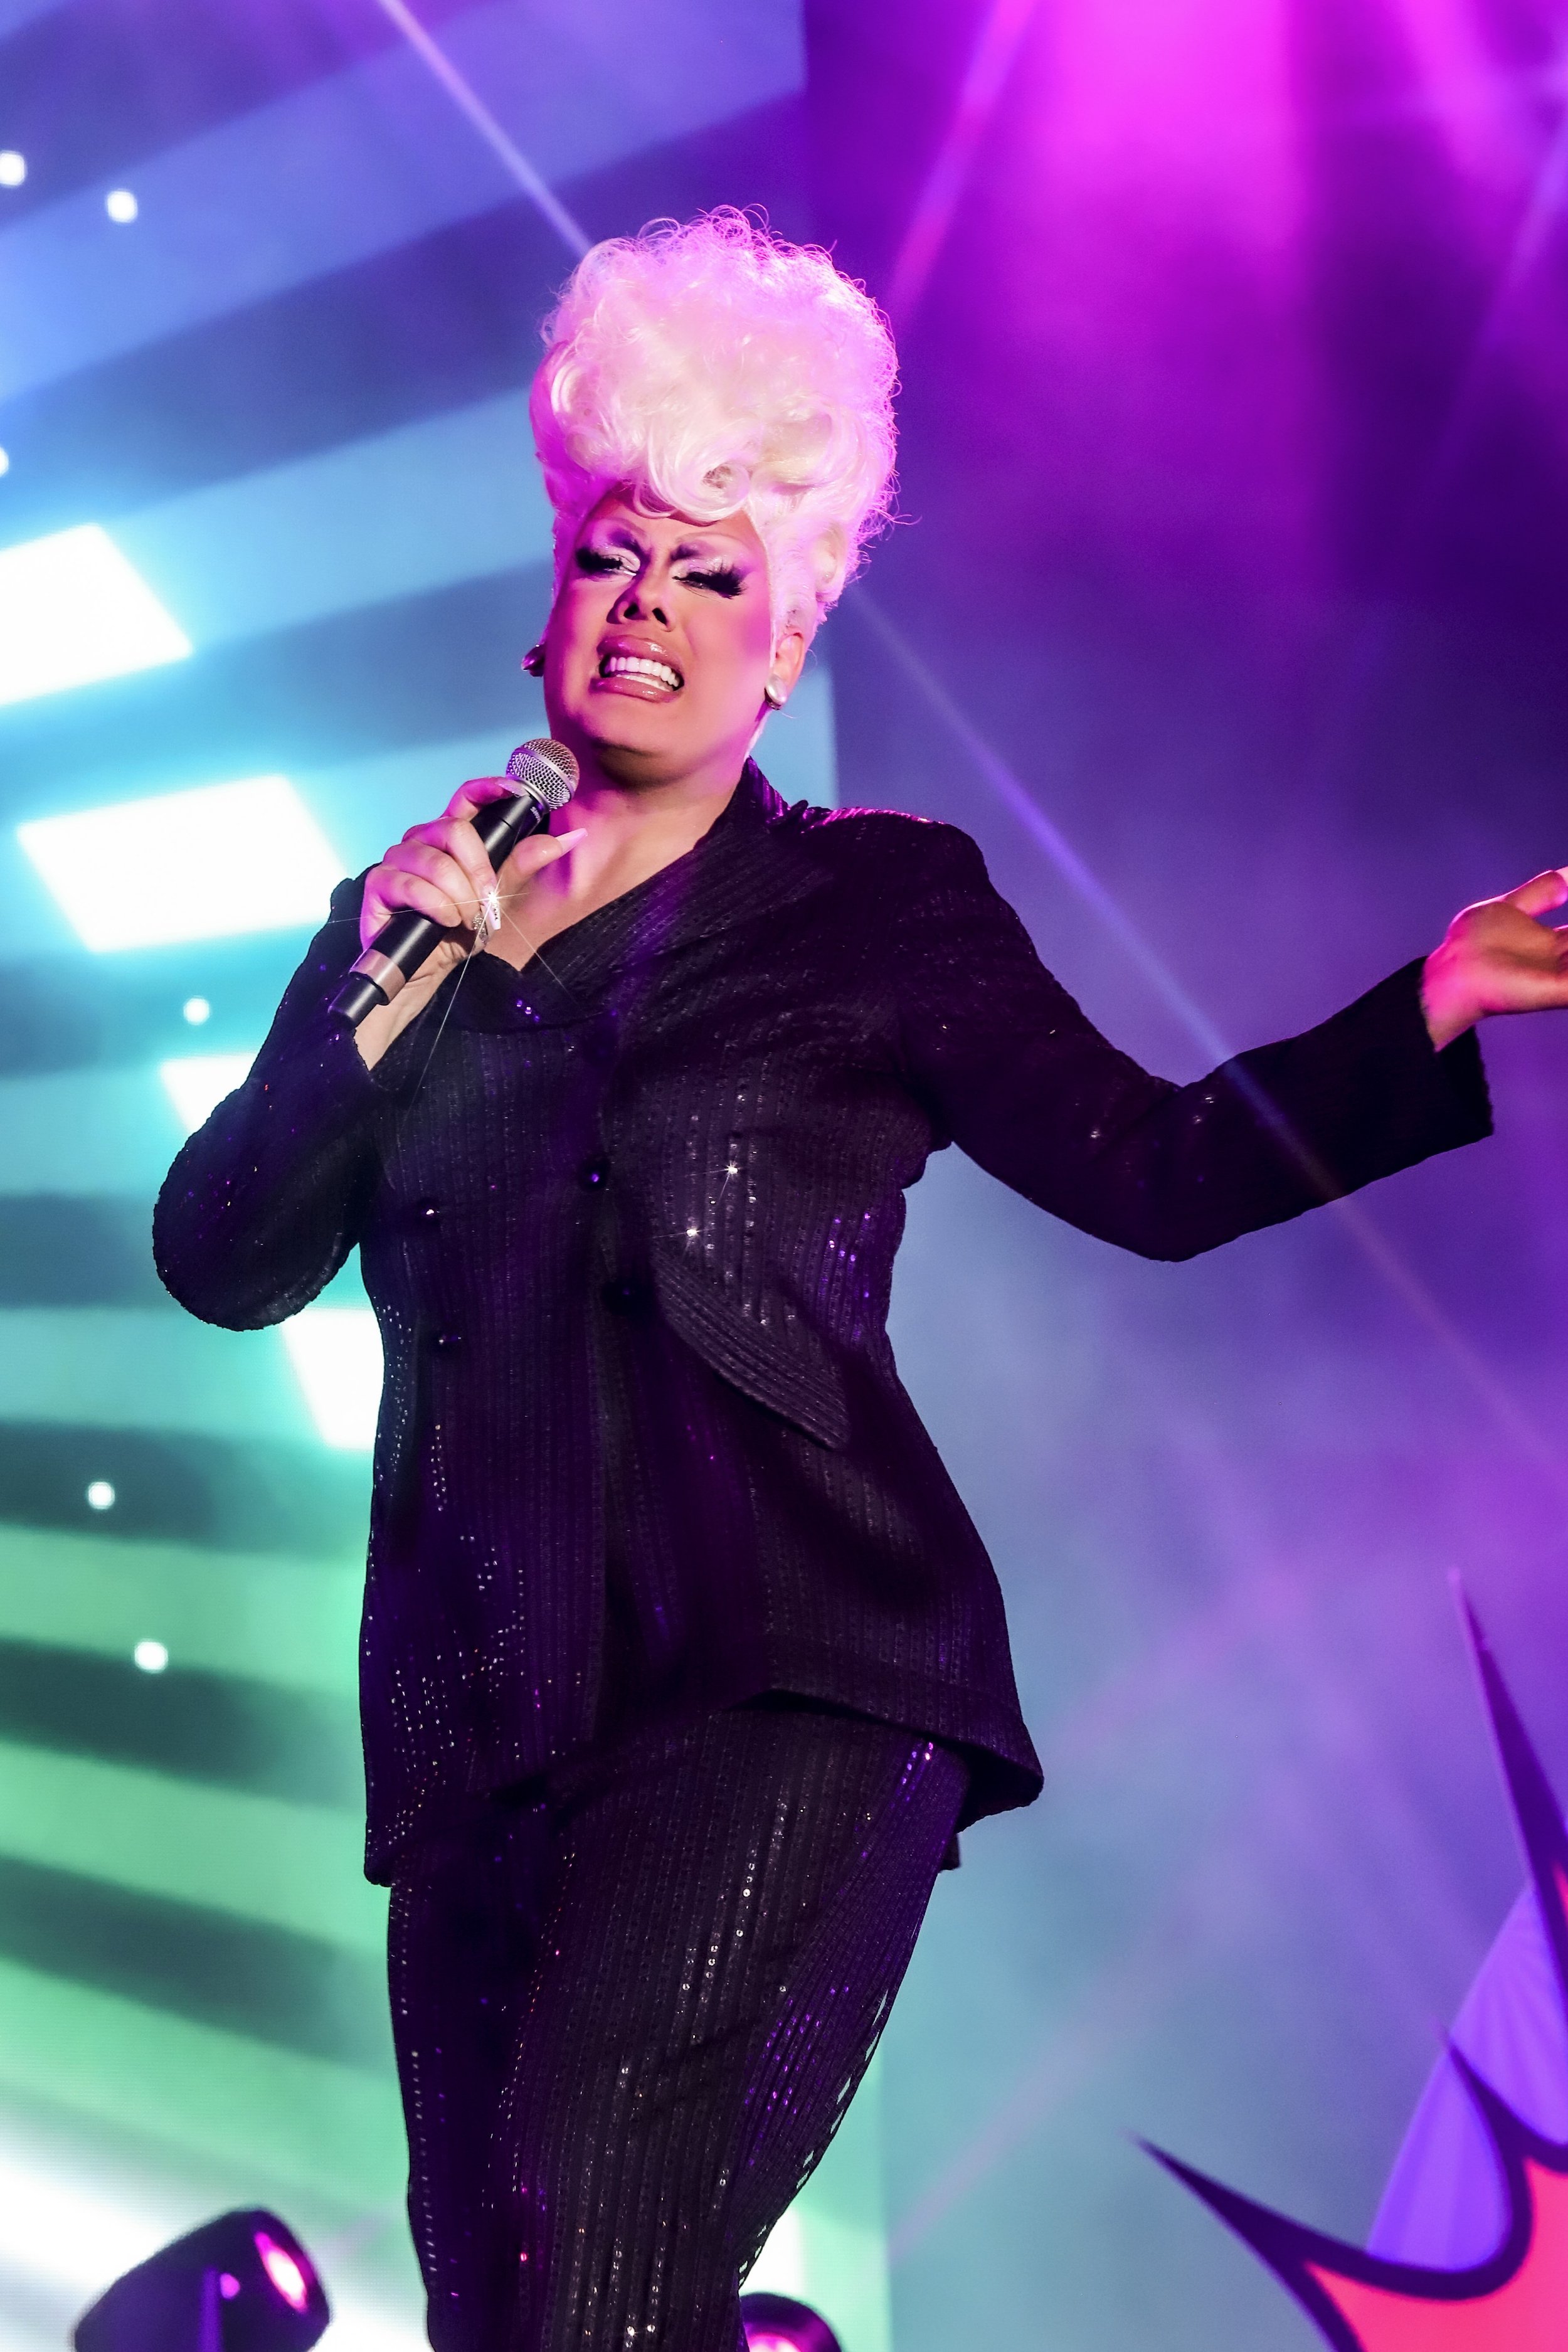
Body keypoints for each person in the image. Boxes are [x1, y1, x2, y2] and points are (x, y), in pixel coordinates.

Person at [152, 210, 1568, 2352]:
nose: (647, 604)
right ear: (548, 608)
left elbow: (1154, 1168)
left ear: (787, 640)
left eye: (708, 575)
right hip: (477, 1729)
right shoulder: (403, 926)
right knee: (518, 2316)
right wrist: (365, 1008)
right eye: (612, 557)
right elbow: (223, 1259)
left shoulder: (876, 907)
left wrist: (1429, 1004)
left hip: (787, 1683)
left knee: (576, 2244)